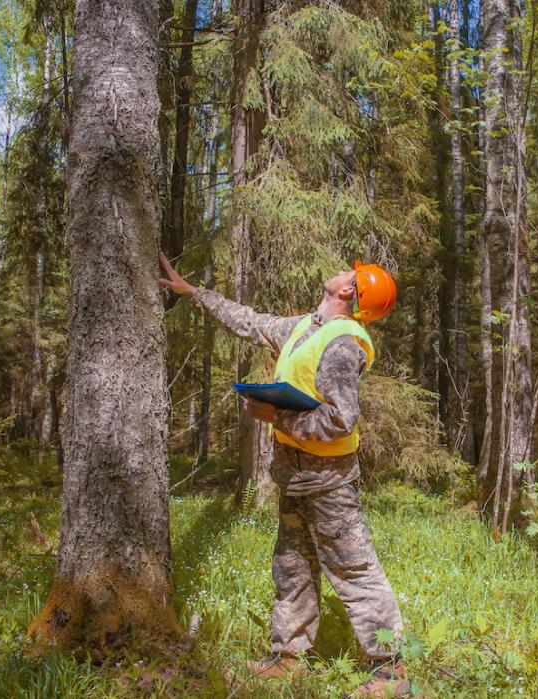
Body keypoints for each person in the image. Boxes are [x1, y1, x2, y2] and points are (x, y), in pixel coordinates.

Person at [159, 254, 408, 697]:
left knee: (354, 570)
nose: (340, 270)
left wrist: (275, 417)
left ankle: (391, 672)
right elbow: (251, 322)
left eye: (349, 273)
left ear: (349, 291)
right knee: (291, 567)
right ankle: (290, 658)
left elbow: (340, 420)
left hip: (329, 482)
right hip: (295, 478)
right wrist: (194, 294)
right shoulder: (306, 327)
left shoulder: (342, 344)